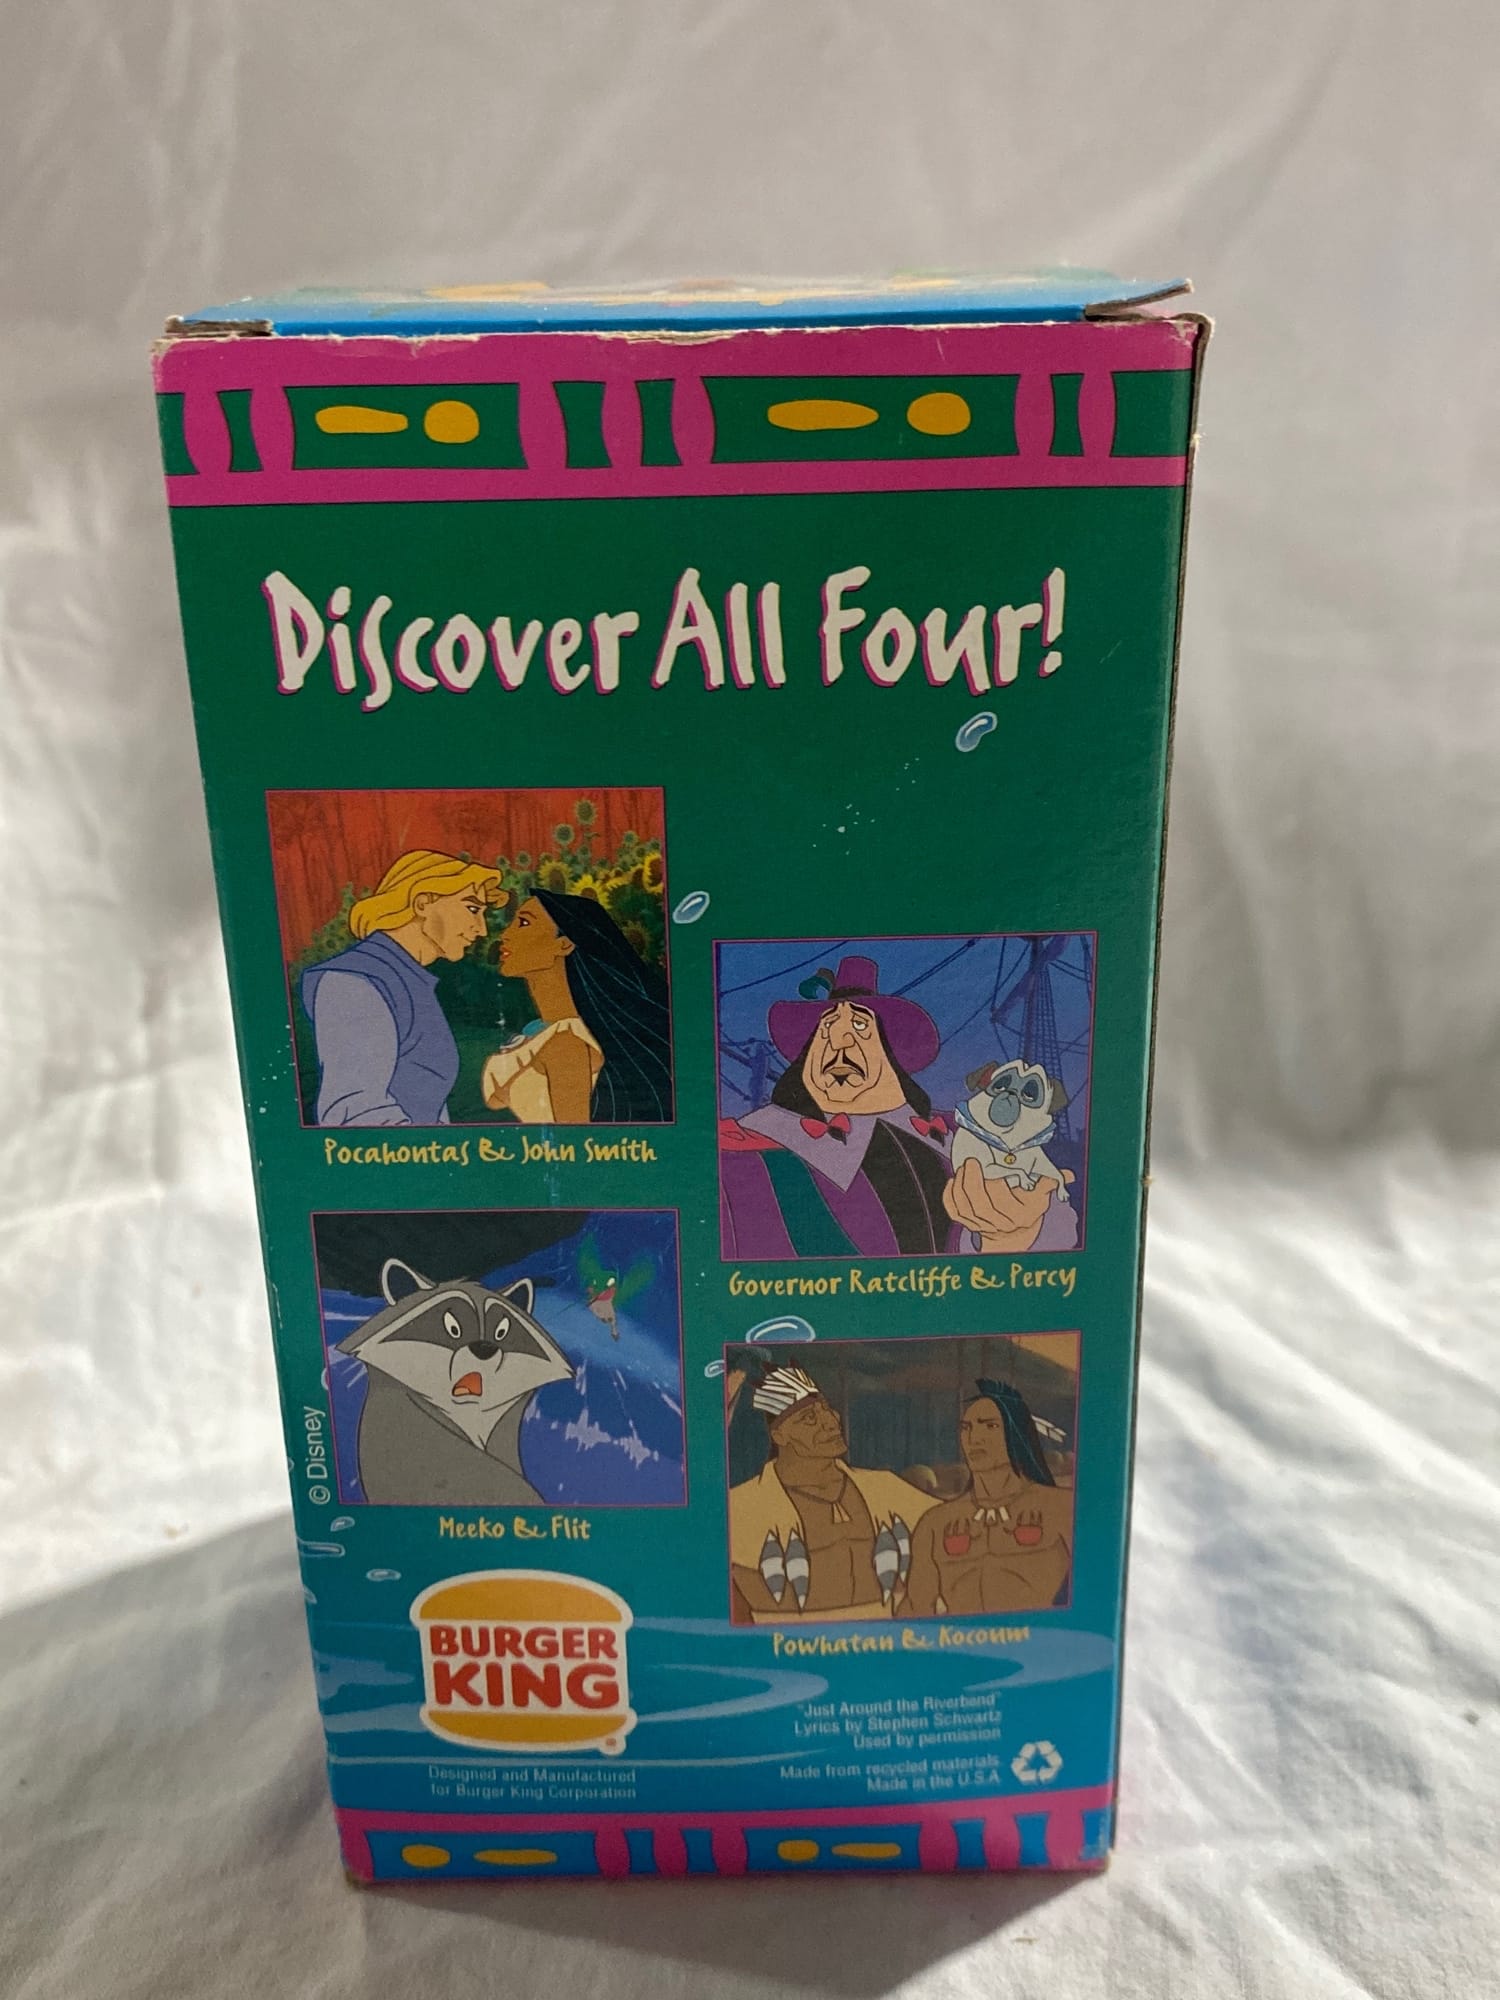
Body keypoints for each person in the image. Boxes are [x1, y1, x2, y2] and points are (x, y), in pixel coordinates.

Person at [718, 954, 1078, 1258]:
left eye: (861, 1026)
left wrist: (1015, 1235)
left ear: (894, 1055)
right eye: (825, 1029)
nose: (839, 1041)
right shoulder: (744, 1150)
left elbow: (1061, 1241)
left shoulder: (965, 1136)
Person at [301, 850, 504, 1127]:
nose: (481, 929)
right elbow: (355, 1113)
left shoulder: (409, 980)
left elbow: (427, 1104)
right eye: (472, 909)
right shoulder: (354, 982)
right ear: (422, 903)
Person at [727, 1364, 935, 1623]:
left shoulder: (883, 1487)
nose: (830, 1422)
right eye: (809, 1418)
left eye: (826, 1409)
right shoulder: (740, 1505)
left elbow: (948, 1521)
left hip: (886, 1637)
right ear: (780, 1435)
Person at [482, 888, 672, 1124]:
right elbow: (497, 1099)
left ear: (563, 944)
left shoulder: (566, 1044)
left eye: (524, 923)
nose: (505, 935)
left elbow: (575, 1140)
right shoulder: (547, 1032)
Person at [904, 1380, 1074, 1616]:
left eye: (990, 1426)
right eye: (966, 1428)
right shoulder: (935, 1523)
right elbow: (914, 1608)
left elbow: (1094, 1591)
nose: (974, 1438)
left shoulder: (1060, 1507)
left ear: (1017, 1434)